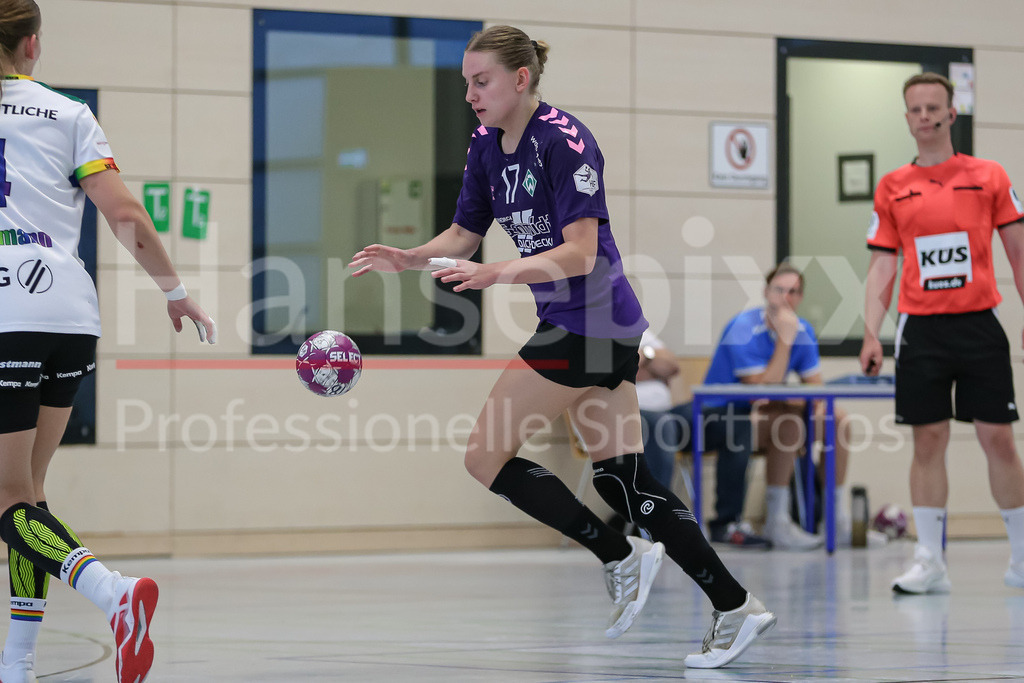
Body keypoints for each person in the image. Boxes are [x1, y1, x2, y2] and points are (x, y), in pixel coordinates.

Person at [350, 25, 775, 668]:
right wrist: (410, 258)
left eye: (481, 81)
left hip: (589, 321)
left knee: (484, 456)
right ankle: (735, 605)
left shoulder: (564, 140)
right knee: (625, 479)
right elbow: (465, 234)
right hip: (591, 324)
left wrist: (496, 274)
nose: (469, 94)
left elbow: (579, 252)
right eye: (466, 82)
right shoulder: (486, 144)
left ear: (521, 79)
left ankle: (619, 553)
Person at [0, 2, 217, 681]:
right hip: (67, 313)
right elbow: (124, 212)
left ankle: (113, 592)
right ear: (32, 44)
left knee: (6, 499)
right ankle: (18, 660)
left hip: (5, 311)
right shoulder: (68, 114)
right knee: (27, 493)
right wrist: (175, 290)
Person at [861, 71, 1024, 594]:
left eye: (934, 107)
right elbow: (882, 266)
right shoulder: (892, 186)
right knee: (927, 440)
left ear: (952, 114)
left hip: (979, 326)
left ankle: (1022, 556)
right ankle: (929, 560)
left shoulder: (989, 176)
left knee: (998, 438)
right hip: (921, 332)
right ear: (907, 118)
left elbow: (1018, 252)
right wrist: (870, 333)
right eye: (916, 109)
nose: (925, 116)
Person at [705, 263, 883, 550]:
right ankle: (777, 522)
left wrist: (798, 399)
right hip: (724, 416)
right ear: (766, 292)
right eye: (780, 289)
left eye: (794, 291)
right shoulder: (743, 327)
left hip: (764, 414)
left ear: (800, 297)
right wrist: (785, 341)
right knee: (787, 423)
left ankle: (835, 520)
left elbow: (816, 391)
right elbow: (761, 392)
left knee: (836, 419)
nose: (786, 297)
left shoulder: (803, 330)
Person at [635, 329, 772, 548]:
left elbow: (671, 365)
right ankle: (656, 522)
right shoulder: (589, 331)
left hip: (669, 412)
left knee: (733, 421)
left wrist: (644, 358)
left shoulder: (630, 326)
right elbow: (610, 373)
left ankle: (727, 524)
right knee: (662, 425)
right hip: (626, 419)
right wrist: (649, 363)